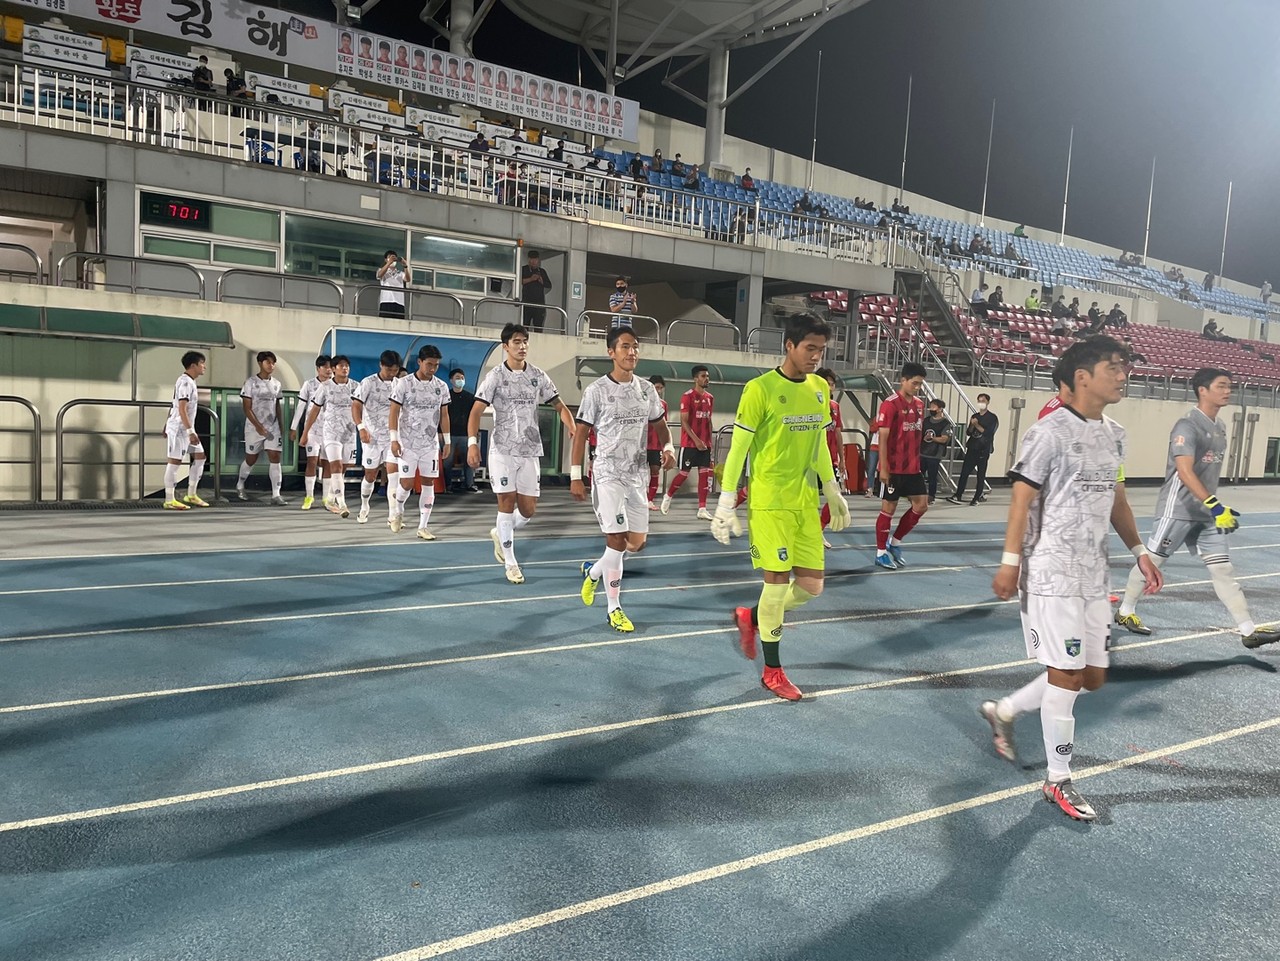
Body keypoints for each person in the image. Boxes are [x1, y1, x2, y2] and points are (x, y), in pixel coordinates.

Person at [979, 336, 1162, 821]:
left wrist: (1140, 551)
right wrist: (1010, 561)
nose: (1123, 374)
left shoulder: (1115, 433)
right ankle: (1057, 780)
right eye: (1114, 367)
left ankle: (1005, 710)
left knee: (1092, 679)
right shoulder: (1049, 432)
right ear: (1082, 377)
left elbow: (1117, 499)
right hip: (1051, 572)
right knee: (1066, 675)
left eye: (1125, 366)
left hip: (1093, 574)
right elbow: (1021, 500)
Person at [709, 313, 850, 701]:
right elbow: (738, 449)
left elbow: (819, 445)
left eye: (821, 350)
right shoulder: (760, 389)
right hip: (770, 502)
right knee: (775, 586)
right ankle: (772, 672)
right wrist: (726, 501)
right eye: (809, 348)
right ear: (789, 345)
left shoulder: (819, 388)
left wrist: (831, 488)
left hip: (804, 503)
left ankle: (751, 617)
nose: (816, 356)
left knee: (811, 587)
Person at [1115, 368, 1279, 648]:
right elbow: (1184, 471)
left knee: (1223, 569)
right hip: (1178, 509)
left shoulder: (1221, 426)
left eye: (1229, 386)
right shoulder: (1187, 426)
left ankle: (1248, 630)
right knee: (1152, 561)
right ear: (1202, 390)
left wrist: (1213, 507)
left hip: (1207, 513)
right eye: (1221, 386)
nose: (1228, 391)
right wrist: (1214, 505)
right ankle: (1125, 610)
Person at [573, 327, 675, 633]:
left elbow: (660, 425)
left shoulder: (647, 389)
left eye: (635, 347)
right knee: (616, 541)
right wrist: (576, 476)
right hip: (607, 474)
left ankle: (594, 572)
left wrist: (669, 448)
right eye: (626, 347)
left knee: (636, 544)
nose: (632, 352)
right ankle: (613, 608)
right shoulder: (596, 391)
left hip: (636, 475)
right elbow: (580, 434)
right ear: (611, 352)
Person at [467, 323, 577, 584]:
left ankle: (500, 532)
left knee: (528, 511)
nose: (522, 346)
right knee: (506, 503)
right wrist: (472, 443)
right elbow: (475, 412)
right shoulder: (495, 376)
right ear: (506, 346)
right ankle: (511, 562)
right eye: (517, 342)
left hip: (529, 450)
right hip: (503, 451)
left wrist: (571, 424)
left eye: (525, 341)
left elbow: (559, 405)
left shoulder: (538, 375)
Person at [388, 345, 451, 540]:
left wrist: (447, 440)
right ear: (419, 362)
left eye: (436, 365)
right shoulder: (404, 384)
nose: (432, 368)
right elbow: (393, 412)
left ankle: (423, 526)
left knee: (428, 482)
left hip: (430, 444)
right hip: (407, 443)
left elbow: (444, 414)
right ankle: (398, 510)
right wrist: (394, 440)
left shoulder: (441, 386)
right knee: (406, 484)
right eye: (429, 364)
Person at [872, 362, 929, 570]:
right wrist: (884, 467)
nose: (917, 387)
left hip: (913, 467)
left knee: (921, 505)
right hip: (893, 468)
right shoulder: (890, 404)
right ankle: (880, 553)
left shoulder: (920, 405)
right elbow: (883, 438)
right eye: (914, 383)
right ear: (903, 380)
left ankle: (895, 543)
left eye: (920, 384)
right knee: (889, 508)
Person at [300, 354, 356, 518]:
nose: (345, 368)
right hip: (331, 433)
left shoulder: (356, 386)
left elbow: (361, 408)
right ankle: (342, 504)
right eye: (341, 365)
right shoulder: (324, 387)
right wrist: (305, 432)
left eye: (347, 365)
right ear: (334, 369)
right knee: (335, 466)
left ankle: (330, 497)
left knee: (344, 467)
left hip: (349, 433)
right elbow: (314, 411)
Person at [658, 365, 715, 519]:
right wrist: (697, 441)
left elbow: (709, 421)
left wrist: (709, 442)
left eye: (707, 376)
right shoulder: (687, 396)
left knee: (704, 474)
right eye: (703, 376)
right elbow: (684, 421)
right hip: (690, 444)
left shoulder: (710, 398)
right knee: (684, 473)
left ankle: (702, 509)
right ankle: (668, 495)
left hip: (705, 444)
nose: (706, 379)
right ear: (695, 379)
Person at [351, 350, 401, 526]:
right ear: (381, 365)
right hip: (371, 437)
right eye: (389, 369)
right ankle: (364, 506)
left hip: (392, 437)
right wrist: (361, 427)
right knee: (370, 475)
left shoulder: (400, 384)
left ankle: (393, 515)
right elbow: (356, 406)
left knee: (394, 475)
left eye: (395, 370)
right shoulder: (368, 383)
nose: (392, 373)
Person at [236, 350, 287, 505]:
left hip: (272, 427)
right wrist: (258, 427)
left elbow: (277, 405)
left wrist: (281, 424)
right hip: (254, 427)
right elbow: (247, 408)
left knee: (275, 456)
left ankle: (276, 495)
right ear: (260, 363)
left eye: (273, 363)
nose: (271, 365)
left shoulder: (277, 384)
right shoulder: (250, 383)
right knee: (251, 458)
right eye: (268, 362)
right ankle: (240, 484)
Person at [163, 351, 208, 510]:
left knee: (200, 457)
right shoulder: (185, 382)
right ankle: (169, 500)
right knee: (174, 462)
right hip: (180, 430)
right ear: (193, 365)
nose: (204, 367)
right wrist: (190, 432)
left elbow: (174, 404)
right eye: (202, 363)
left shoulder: (189, 381)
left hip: (185, 428)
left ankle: (191, 494)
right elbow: (182, 408)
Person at [290, 354, 332, 511]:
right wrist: (294, 427)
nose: (328, 370)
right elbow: (301, 407)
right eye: (325, 367)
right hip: (312, 429)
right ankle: (309, 496)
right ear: (318, 369)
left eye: (330, 367)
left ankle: (326, 498)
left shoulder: (334, 385)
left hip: (330, 430)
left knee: (327, 463)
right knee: (312, 461)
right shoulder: (309, 385)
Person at [947, 393, 998, 505]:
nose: (981, 403)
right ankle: (958, 494)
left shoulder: (992, 418)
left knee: (980, 474)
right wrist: (972, 425)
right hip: (972, 447)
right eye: (979, 401)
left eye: (983, 401)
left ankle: (977, 497)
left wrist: (977, 425)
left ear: (988, 402)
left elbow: (988, 433)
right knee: (964, 472)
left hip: (983, 449)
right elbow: (969, 432)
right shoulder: (975, 416)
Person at [817, 367, 846, 544]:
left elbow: (838, 433)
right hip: (812, 460)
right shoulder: (809, 404)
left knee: (835, 496)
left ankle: (818, 529)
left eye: (832, 384)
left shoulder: (835, 407)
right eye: (826, 383)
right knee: (808, 499)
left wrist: (842, 459)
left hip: (831, 460)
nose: (829, 387)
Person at [446, 368, 478, 492]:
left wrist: (474, 433)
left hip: (466, 434)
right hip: (450, 434)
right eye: (457, 378)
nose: (460, 380)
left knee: (469, 460)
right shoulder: (446, 396)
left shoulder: (470, 397)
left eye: (462, 378)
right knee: (447, 461)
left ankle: (469, 484)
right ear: (451, 380)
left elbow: (474, 416)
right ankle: (447, 484)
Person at [919, 398, 952, 505]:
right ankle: (918, 494)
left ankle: (931, 496)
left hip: (935, 454)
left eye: (934, 407)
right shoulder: (926, 420)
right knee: (918, 475)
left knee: (932, 476)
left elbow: (944, 439)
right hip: (923, 452)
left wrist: (932, 438)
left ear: (940, 409)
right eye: (930, 406)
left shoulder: (945, 423)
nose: (931, 409)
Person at [645, 375, 668, 508]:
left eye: (660, 388)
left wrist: (665, 447)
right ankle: (639, 500)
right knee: (639, 473)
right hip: (642, 444)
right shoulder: (642, 402)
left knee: (655, 471)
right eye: (656, 387)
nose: (658, 390)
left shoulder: (663, 404)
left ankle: (650, 500)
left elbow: (664, 427)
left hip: (656, 444)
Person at [520, 249, 552, 332]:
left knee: (538, 327)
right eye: (532, 259)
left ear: (538, 260)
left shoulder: (542, 271)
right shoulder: (524, 269)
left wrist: (541, 281)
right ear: (528, 260)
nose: (534, 262)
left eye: (535, 259)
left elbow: (549, 285)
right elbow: (519, 281)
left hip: (539, 304)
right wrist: (531, 279)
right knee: (524, 326)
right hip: (526, 303)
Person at [377, 250, 410, 319]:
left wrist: (405, 266)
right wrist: (389, 263)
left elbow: (408, 279)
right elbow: (379, 275)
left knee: (399, 323)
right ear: (386, 259)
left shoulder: (400, 273)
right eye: (390, 257)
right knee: (384, 322)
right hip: (386, 301)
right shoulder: (382, 270)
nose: (392, 260)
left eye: (394, 258)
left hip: (399, 302)